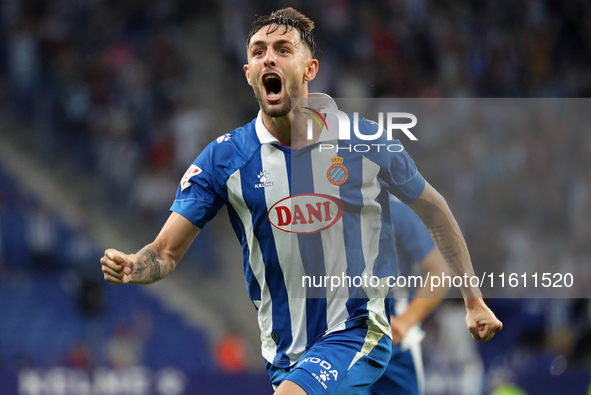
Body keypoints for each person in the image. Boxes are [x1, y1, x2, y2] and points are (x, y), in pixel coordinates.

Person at [100, 7, 502, 395]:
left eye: (283, 50)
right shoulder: (224, 159)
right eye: (258, 52)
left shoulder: (363, 143)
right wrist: (137, 265)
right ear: (249, 74)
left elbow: (434, 209)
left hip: (355, 332)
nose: (268, 58)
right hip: (284, 355)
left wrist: (474, 300)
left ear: (310, 70)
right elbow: (166, 252)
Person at [363, 196, 449, 395]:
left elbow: (441, 273)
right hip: (342, 345)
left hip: (396, 348)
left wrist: (405, 321)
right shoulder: (325, 210)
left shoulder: (395, 212)